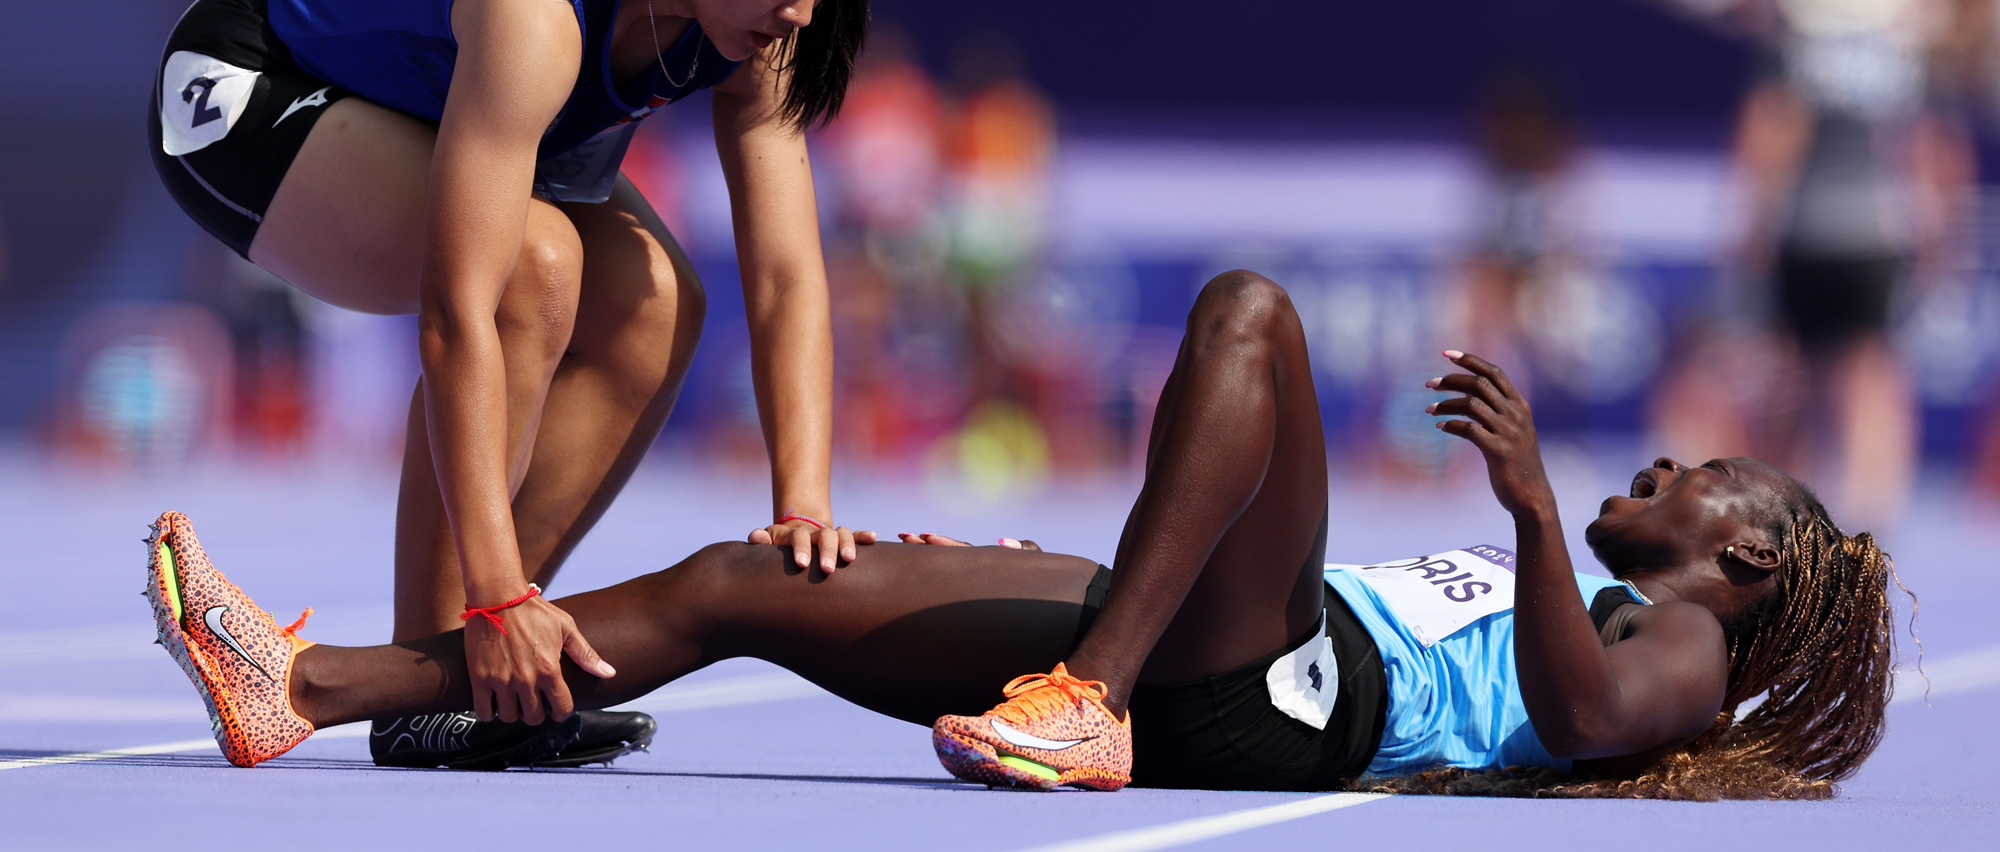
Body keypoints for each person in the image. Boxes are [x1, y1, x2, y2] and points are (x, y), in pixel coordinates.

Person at [146, 271, 1900, 798]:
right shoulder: (1612, 583)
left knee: (1250, 319)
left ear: (1742, 567)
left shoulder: (1686, 649)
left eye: (1708, 478)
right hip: (1219, 636)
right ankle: (299, 680)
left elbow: (1588, 722)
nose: (1673, 463)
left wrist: (1527, 507)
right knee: (753, 580)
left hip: (1294, 691)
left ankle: (1085, 695)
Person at [145, 0, 901, 768]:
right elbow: (457, 314)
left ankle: (453, 669)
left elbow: (784, 272)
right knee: (534, 266)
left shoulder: (754, 25)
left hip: (412, 99)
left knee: (659, 304)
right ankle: (438, 673)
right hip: (245, 87)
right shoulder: (538, 2)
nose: (804, 14)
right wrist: (499, 591)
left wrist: (801, 504)